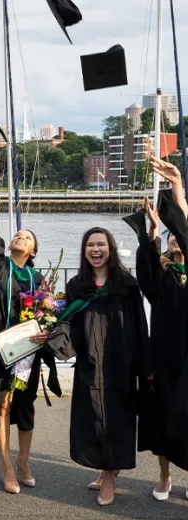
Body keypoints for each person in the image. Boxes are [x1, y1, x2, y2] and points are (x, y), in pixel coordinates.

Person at [0, 158, 60, 494]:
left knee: (24, 405)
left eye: (26, 237)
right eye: (17, 235)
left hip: (27, 353)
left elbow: (51, 314)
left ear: (34, 249)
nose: (20, 237)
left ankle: (24, 460)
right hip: (0, 348)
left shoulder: (38, 279)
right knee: (3, 405)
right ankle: (7, 464)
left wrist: (47, 330)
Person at [46, 227, 150, 506]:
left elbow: (140, 325)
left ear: (110, 249)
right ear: (84, 251)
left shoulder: (127, 285)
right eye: (90, 245)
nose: (95, 249)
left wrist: (145, 364)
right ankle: (106, 467)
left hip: (121, 362)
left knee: (117, 417)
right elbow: (70, 322)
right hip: (91, 360)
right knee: (93, 415)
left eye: (101, 244)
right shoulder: (77, 286)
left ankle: (110, 476)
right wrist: (56, 337)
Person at [128, 157, 188, 502]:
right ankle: (165, 477)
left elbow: (184, 229)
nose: (175, 241)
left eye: (179, 237)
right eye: (171, 239)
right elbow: (145, 268)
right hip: (164, 353)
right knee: (163, 416)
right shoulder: (163, 276)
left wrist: (177, 188)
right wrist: (152, 234)